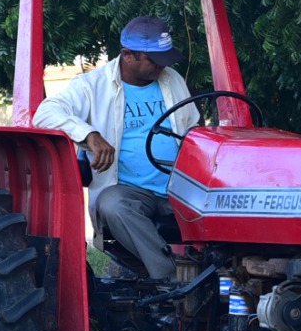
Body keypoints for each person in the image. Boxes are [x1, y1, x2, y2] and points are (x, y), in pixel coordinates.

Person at [33, 16, 199, 281]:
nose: (162, 65)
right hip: (130, 194)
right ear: (127, 55)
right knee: (112, 204)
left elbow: (192, 127)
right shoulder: (91, 86)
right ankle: (171, 280)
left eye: (165, 58)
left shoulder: (172, 80)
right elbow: (45, 114)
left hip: (178, 189)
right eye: (154, 59)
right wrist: (89, 135)